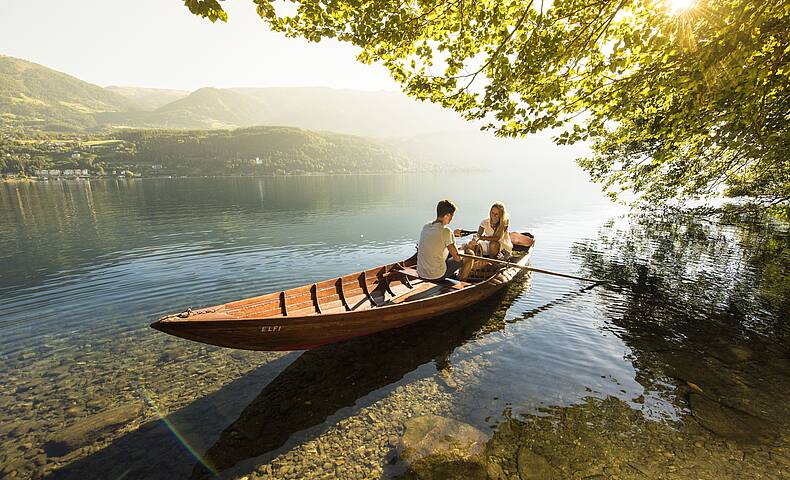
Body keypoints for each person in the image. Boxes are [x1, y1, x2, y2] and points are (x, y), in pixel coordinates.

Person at [417, 199, 463, 280]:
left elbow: (437, 238)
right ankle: (462, 283)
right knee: (469, 254)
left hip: (421, 273)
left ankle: (451, 275)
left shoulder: (426, 226)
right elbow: (457, 258)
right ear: (447, 215)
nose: (451, 220)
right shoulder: (446, 231)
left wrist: (453, 236)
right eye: (452, 216)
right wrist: (464, 249)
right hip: (436, 275)